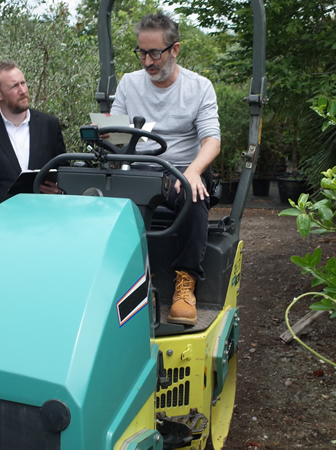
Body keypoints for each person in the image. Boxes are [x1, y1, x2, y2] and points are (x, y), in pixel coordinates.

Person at [111, 12, 220, 326]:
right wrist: (105, 130)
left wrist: (193, 171)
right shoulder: (129, 84)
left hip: (182, 169)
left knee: (194, 193)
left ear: (175, 50)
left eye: (154, 53)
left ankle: (185, 282)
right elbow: (118, 134)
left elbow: (212, 141)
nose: (147, 62)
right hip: (138, 168)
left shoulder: (199, 87)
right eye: (141, 53)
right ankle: (125, 276)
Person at [0, 60, 67, 225]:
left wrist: (60, 191)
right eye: (14, 86)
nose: (23, 91)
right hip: (1, 229)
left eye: (23, 83)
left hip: (46, 223)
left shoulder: (49, 125)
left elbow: (65, 173)